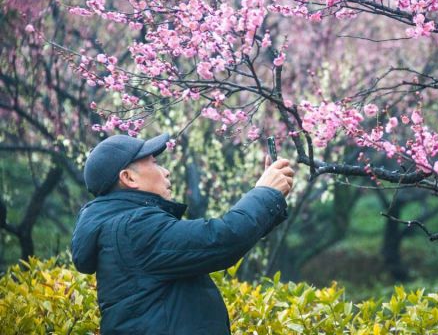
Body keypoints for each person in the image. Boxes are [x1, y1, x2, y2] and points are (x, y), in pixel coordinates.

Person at [71, 133, 294, 334]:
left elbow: (217, 243)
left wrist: (268, 199)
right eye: (155, 163)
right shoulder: (133, 228)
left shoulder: (120, 227)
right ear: (129, 178)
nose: (166, 171)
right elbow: (221, 240)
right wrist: (265, 194)